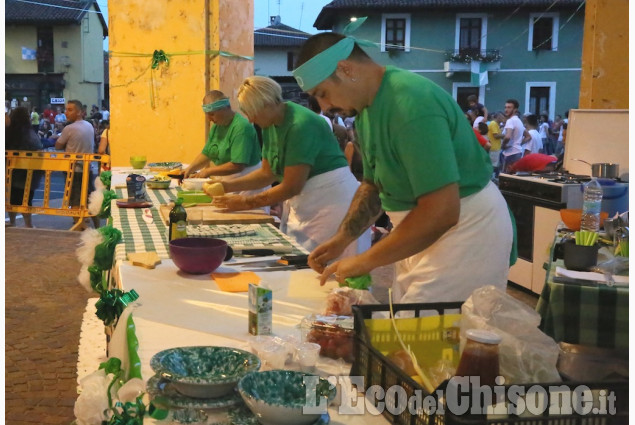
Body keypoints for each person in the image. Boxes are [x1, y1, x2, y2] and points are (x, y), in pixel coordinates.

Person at [293, 26, 513, 303]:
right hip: (418, 231)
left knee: (436, 336)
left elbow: (442, 212)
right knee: (408, 329)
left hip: (465, 231)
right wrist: (342, 238)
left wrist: (366, 260)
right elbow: (373, 185)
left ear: (346, 70)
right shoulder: (365, 111)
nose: (324, 107)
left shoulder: (410, 103)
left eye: (323, 93)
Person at [207, 76, 371, 257]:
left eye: (253, 112)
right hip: (306, 201)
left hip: (332, 203)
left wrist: (245, 202)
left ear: (268, 104)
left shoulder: (300, 125)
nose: (251, 120)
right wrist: (225, 187)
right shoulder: (270, 124)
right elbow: (266, 174)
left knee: (329, 270)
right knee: (301, 264)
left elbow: (292, 186)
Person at [182, 91, 267, 201]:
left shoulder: (241, 127)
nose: (209, 119)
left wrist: (208, 171)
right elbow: (207, 153)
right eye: (207, 115)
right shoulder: (217, 127)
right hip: (228, 182)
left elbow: (237, 165)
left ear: (225, 108)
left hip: (249, 182)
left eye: (212, 114)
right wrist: (190, 169)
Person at [55, 99, 99, 228]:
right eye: (66, 109)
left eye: (70, 110)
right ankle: (96, 225)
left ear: (79, 112)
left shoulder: (69, 128)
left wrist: (57, 140)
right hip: (88, 168)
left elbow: (58, 145)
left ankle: (79, 225)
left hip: (74, 169)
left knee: (75, 198)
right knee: (89, 198)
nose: (66, 112)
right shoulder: (89, 125)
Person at [6, 107, 43, 227]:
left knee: (12, 197)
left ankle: (12, 221)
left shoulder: (8, 133)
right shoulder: (29, 133)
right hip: (28, 172)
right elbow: (38, 149)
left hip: (11, 171)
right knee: (26, 199)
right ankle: (28, 224)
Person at [500, 99, 530, 173]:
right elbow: (528, 136)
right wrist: (518, 144)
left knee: (505, 179)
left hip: (510, 154)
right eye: (505, 107)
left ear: (515, 110)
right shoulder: (519, 121)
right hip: (517, 152)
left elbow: (507, 136)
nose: (506, 110)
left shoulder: (510, 121)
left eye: (509, 107)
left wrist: (503, 145)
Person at [487, 112, 504, 176]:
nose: (503, 119)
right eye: (502, 117)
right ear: (498, 117)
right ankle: (491, 177)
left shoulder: (496, 124)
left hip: (496, 147)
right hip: (494, 147)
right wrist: (505, 135)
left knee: (495, 164)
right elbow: (496, 135)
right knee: (493, 164)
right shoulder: (493, 124)